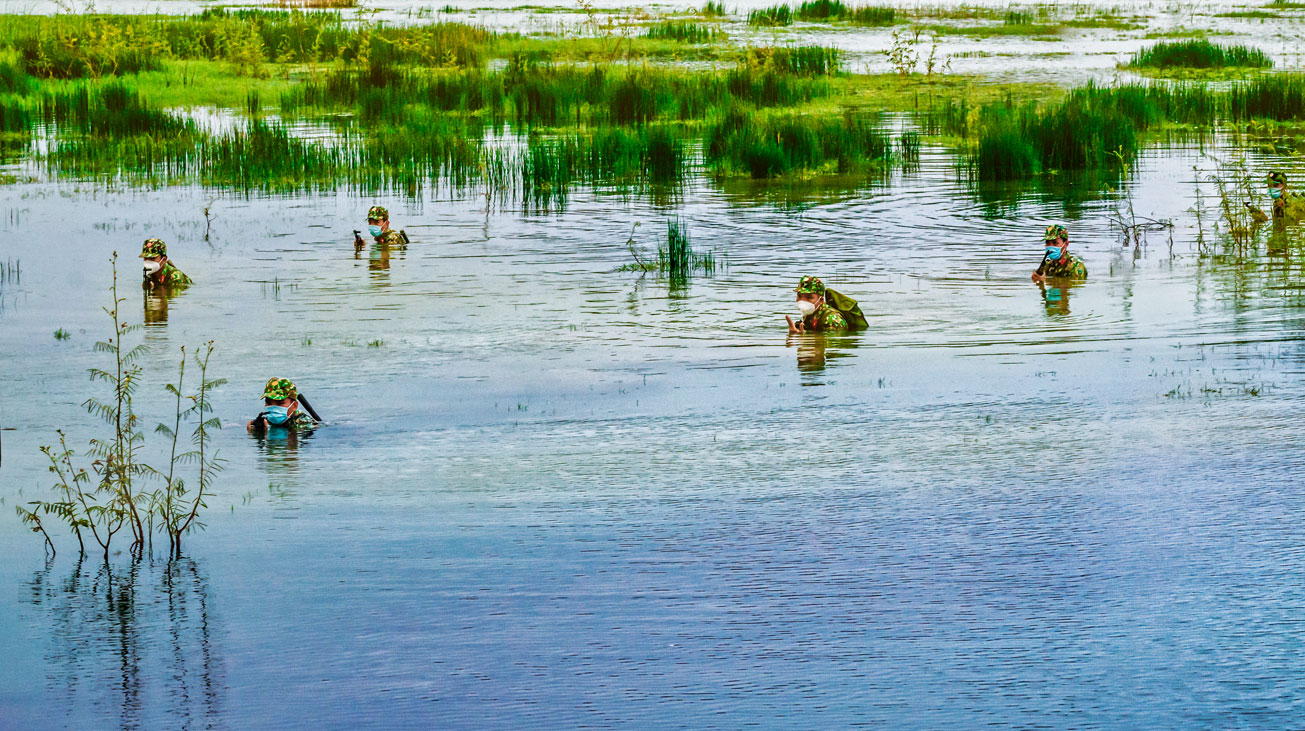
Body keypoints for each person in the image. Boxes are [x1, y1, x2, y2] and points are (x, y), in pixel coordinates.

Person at [247, 377, 320, 432]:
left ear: (294, 406)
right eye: (268, 402)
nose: (273, 407)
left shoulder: (303, 423)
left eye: (280, 403)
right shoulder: (265, 420)